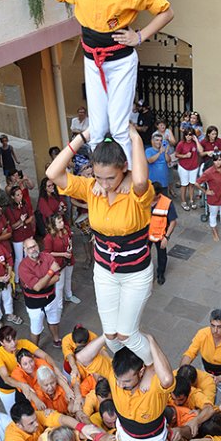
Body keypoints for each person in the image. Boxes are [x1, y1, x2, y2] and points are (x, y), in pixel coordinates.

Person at [41, 0, 173, 166]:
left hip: (121, 62)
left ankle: (131, 175)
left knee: (120, 126)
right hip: (92, 62)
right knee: (98, 127)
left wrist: (139, 36)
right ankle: (101, 175)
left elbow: (166, 12)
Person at [46, 125, 155, 365]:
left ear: (124, 168)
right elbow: (54, 173)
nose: (104, 184)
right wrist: (84, 136)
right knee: (112, 336)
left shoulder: (135, 193)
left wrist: (135, 137)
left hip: (135, 274)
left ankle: (150, 366)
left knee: (128, 334)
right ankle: (130, 368)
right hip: (105, 272)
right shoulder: (91, 189)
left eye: (111, 177)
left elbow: (140, 179)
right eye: (99, 177)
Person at [76, 332, 174, 441]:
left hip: (152, 440)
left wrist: (151, 340)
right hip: (124, 434)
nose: (120, 385)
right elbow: (82, 358)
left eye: (127, 381)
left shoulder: (154, 383)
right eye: (118, 379)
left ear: (141, 371)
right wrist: (106, 335)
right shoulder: (112, 373)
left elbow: (167, 379)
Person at [0, 325, 58, 414]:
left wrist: (56, 368)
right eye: (8, 341)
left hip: (25, 381)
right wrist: (22, 385)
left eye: (14, 338)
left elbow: (45, 356)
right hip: (8, 387)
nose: (13, 343)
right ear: (2, 343)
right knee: (13, 412)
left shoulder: (24, 343)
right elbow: (6, 378)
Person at [180, 309, 221, 405]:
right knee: (205, 400)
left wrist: (219, 378)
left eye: (219, 327)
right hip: (206, 371)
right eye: (213, 326)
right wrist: (182, 371)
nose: (215, 331)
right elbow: (190, 353)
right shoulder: (202, 334)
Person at [19, 238, 62, 347]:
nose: (33, 249)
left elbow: (57, 277)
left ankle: (56, 339)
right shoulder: (23, 267)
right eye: (29, 248)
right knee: (36, 328)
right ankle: (35, 348)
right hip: (34, 304)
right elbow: (37, 287)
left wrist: (40, 284)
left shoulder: (47, 257)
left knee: (54, 320)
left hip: (51, 297)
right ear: (25, 250)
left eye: (34, 246)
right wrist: (50, 272)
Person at [43, 214, 81, 316]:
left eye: (62, 221)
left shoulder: (66, 230)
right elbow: (48, 253)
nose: (62, 223)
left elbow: (70, 240)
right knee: (59, 286)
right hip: (59, 263)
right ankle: (59, 307)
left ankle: (68, 295)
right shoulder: (49, 237)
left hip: (68, 259)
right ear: (53, 225)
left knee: (68, 278)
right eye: (59, 222)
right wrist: (63, 254)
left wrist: (69, 249)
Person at [194, 153, 221, 241]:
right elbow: (197, 183)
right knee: (213, 215)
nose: (218, 162)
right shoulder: (208, 172)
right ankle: (214, 231)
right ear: (213, 161)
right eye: (216, 160)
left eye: (219, 160)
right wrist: (205, 191)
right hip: (213, 198)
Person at [148, 181, 178, 284]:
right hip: (145, 235)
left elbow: (173, 222)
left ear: (158, 195)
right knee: (144, 256)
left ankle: (160, 274)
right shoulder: (144, 200)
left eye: (151, 195)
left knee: (162, 257)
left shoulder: (167, 203)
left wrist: (166, 237)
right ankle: (145, 274)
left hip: (160, 235)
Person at [4, 186, 35, 285]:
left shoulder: (25, 204)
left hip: (28, 233)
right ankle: (17, 279)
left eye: (21, 194)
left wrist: (23, 222)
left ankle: (29, 276)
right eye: (17, 195)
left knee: (29, 255)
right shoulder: (9, 209)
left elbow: (31, 217)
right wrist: (20, 221)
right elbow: (13, 226)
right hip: (18, 237)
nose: (20, 196)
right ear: (12, 197)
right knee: (19, 258)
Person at [176, 128, 202, 211]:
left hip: (194, 167)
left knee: (191, 185)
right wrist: (184, 156)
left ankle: (191, 200)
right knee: (184, 185)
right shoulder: (181, 144)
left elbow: (201, 151)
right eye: (186, 134)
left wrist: (197, 140)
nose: (188, 136)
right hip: (183, 167)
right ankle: (183, 202)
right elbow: (176, 154)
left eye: (190, 134)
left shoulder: (195, 143)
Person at [146, 131, 171, 196]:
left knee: (164, 201)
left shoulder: (164, 150)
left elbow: (168, 160)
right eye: (157, 140)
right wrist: (159, 153)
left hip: (164, 182)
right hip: (153, 182)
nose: (159, 142)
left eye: (160, 140)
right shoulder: (148, 150)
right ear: (152, 141)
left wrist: (165, 152)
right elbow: (150, 160)